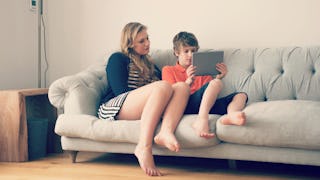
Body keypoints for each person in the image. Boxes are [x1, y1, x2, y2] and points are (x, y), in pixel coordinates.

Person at [98, 22, 190, 176]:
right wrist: (154, 93)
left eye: (147, 38)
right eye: (142, 41)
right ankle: (143, 147)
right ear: (130, 43)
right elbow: (120, 91)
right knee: (163, 86)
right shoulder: (118, 58)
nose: (147, 43)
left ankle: (166, 132)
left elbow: (170, 93)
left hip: (144, 107)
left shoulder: (150, 64)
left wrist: (187, 81)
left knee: (181, 87)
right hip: (116, 106)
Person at [162, 31, 248, 139]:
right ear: (176, 52)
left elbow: (209, 92)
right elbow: (171, 96)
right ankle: (202, 120)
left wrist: (219, 77)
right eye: (186, 51)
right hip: (183, 105)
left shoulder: (201, 68)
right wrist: (188, 81)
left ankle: (232, 114)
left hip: (204, 105)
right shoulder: (169, 70)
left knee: (241, 95)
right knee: (215, 83)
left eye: (193, 51)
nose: (190, 55)